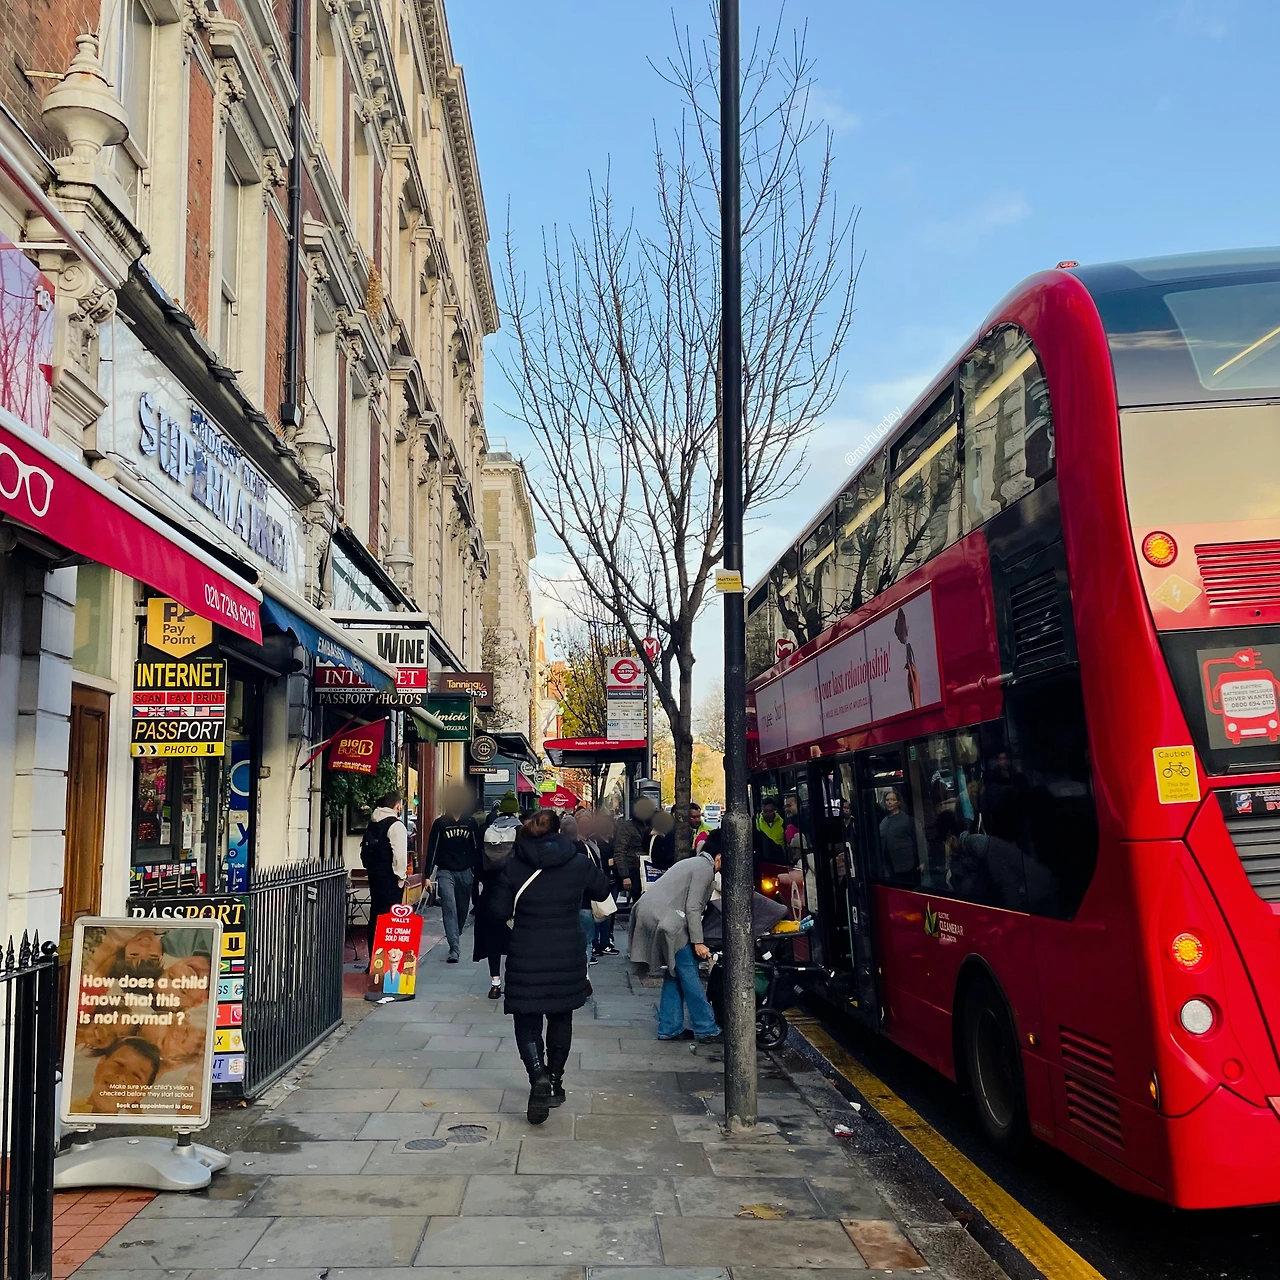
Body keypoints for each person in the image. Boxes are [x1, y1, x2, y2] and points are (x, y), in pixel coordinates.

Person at [487, 809, 608, 1124]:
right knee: (561, 1016)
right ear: (559, 831)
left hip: (526, 952)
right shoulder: (578, 861)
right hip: (567, 953)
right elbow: (603, 891)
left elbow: (497, 911)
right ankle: (555, 1081)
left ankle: (537, 1074)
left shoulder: (514, 865)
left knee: (526, 1019)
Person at [629, 828, 723, 1043]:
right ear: (719, 857)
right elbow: (693, 907)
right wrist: (698, 942)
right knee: (689, 974)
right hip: (668, 922)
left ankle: (670, 1027)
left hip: (654, 914)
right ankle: (706, 1027)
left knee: (676, 973)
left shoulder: (694, 862)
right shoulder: (704, 868)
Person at [426, 785, 482, 963]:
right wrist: (427, 875)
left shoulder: (470, 822)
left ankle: (455, 934)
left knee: (462, 909)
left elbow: (477, 848)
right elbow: (433, 849)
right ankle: (454, 948)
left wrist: (477, 871)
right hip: (445, 871)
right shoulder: (441, 823)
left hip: (465, 871)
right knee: (449, 907)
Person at [473, 791, 519, 998]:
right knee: (514, 940)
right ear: (515, 811)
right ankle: (512, 981)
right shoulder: (521, 831)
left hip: (490, 896)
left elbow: (477, 865)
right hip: (513, 897)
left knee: (492, 940)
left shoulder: (486, 830)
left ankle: (495, 984)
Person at [362, 791, 411, 968]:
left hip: (375, 877)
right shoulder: (395, 826)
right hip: (390, 880)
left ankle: (374, 961)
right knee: (390, 922)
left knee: (375, 918)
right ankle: (386, 965)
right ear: (397, 806)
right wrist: (401, 877)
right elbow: (400, 856)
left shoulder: (373, 823)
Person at [561, 814, 600, 977]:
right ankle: (584, 974)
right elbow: (596, 876)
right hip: (584, 902)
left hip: (563, 905)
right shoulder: (585, 850)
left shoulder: (557, 851)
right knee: (586, 941)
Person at [613, 797, 655, 899]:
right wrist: (625, 876)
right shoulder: (626, 827)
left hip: (649, 869)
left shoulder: (650, 825)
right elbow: (620, 852)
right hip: (634, 869)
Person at [592, 810, 620, 956]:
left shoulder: (614, 840)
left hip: (613, 879)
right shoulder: (594, 840)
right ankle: (597, 942)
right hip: (601, 879)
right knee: (599, 911)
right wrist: (606, 862)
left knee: (610, 911)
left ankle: (606, 940)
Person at [879, 788, 918, 880]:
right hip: (890, 867)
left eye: (893, 800)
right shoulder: (883, 822)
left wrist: (922, 861)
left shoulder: (907, 820)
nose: (889, 802)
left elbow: (919, 840)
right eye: (887, 800)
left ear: (898, 802)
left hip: (907, 866)